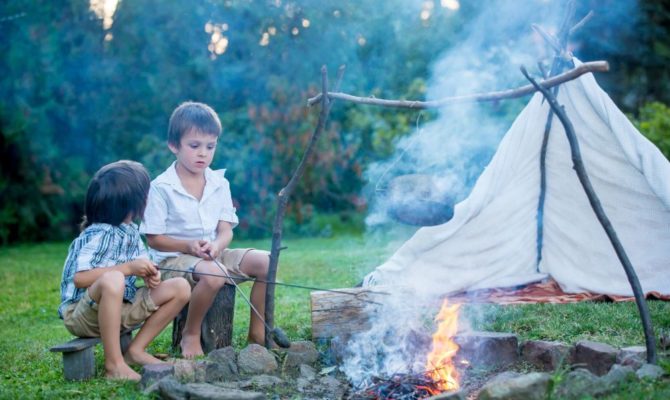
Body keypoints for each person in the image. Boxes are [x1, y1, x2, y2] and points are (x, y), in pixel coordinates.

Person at [141, 101, 271, 358]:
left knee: (267, 262)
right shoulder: (161, 187)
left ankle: (258, 333)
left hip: (213, 254)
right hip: (175, 260)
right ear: (173, 145)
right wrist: (187, 246)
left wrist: (217, 245)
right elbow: (154, 239)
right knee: (214, 275)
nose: (203, 153)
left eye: (210, 146)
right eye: (194, 146)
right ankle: (190, 334)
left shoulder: (218, 182)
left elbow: (225, 230)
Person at [58, 160, 191, 381]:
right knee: (113, 279)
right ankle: (114, 365)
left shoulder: (130, 231)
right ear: (132, 203)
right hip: (83, 315)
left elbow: (142, 264)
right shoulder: (97, 234)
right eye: (146, 195)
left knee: (181, 287)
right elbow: (80, 279)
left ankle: (135, 351)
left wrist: (151, 274)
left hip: (121, 308)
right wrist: (128, 268)